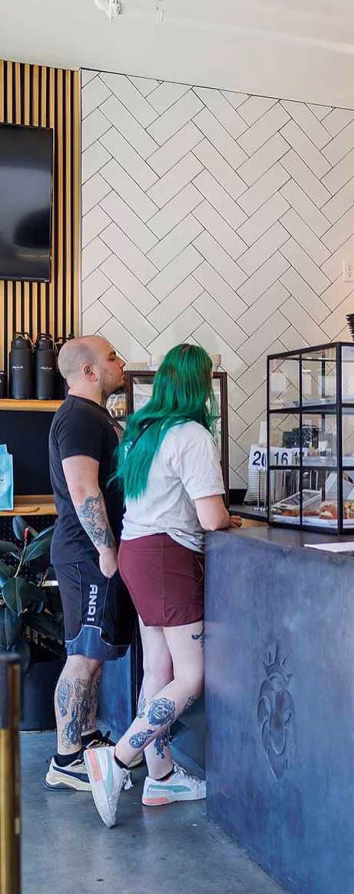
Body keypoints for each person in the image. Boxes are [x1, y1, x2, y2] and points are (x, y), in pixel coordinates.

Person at [84, 344, 239, 828]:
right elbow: (212, 518)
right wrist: (234, 520)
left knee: (158, 668)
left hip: (137, 553)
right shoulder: (191, 434)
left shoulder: (141, 432)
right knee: (191, 675)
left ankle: (162, 775)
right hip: (168, 558)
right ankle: (119, 758)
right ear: (200, 387)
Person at [45, 336, 131, 792]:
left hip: (90, 551)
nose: (121, 363)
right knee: (82, 655)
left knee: (93, 655)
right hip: (86, 553)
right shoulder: (78, 418)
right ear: (90, 372)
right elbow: (83, 489)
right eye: (112, 357)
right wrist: (107, 550)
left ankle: (86, 736)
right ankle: (65, 759)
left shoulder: (92, 416)